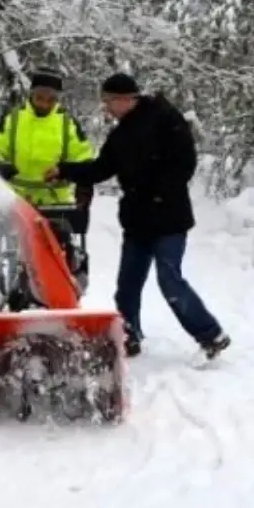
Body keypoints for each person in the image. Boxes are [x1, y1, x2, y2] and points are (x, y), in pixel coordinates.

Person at [45, 73, 230, 359]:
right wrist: (64, 170)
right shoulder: (120, 135)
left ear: (124, 99)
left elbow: (185, 163)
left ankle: (211, 334)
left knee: (170, 280)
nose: (106, 108)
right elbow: (100, 168)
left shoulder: (165, 119)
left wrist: (160, 194)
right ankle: (128, 336)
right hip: (137, 221)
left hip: (169, 218)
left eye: (108, 101)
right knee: (127, 285)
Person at [0, 68, 95, 287]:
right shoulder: (13, 120)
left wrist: (80, 178)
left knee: (59, 246)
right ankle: (18, 287)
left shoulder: (66, 124)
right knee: (20, 250)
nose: (44, 103)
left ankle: (64, 286)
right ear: (31, 95)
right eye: (40, 97)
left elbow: (83, 157)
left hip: (56, 202)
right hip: (18, 200)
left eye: (50, 99)